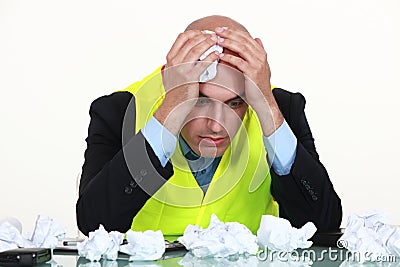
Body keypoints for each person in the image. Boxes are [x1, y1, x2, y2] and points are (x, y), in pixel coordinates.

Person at [76, 15, 342, 238]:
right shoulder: (119, 110)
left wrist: (267, 108)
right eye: (200, 100)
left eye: (235, 103)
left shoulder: (279, 107)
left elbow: (323, 224)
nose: (217, 126)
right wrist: (172, 108)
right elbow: (93, 223)